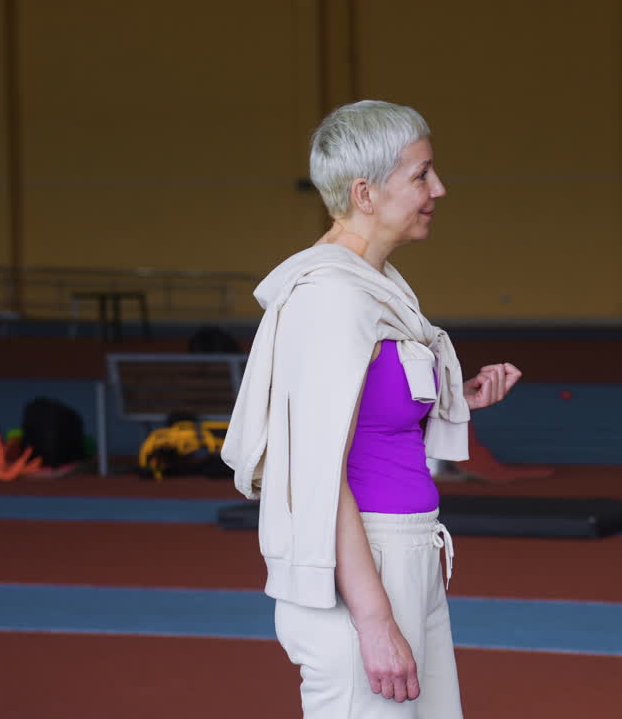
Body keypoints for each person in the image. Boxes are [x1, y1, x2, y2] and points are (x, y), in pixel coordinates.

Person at [222, 100, 522, 719]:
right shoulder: (329, 299)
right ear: (365, 191)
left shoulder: (379, 287)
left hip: (408, 556)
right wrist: (375, 618)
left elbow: (366, 417)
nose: (438, 188)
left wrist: (455, 398)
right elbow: (317, 471)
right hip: (363, 569)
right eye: (421, 175)